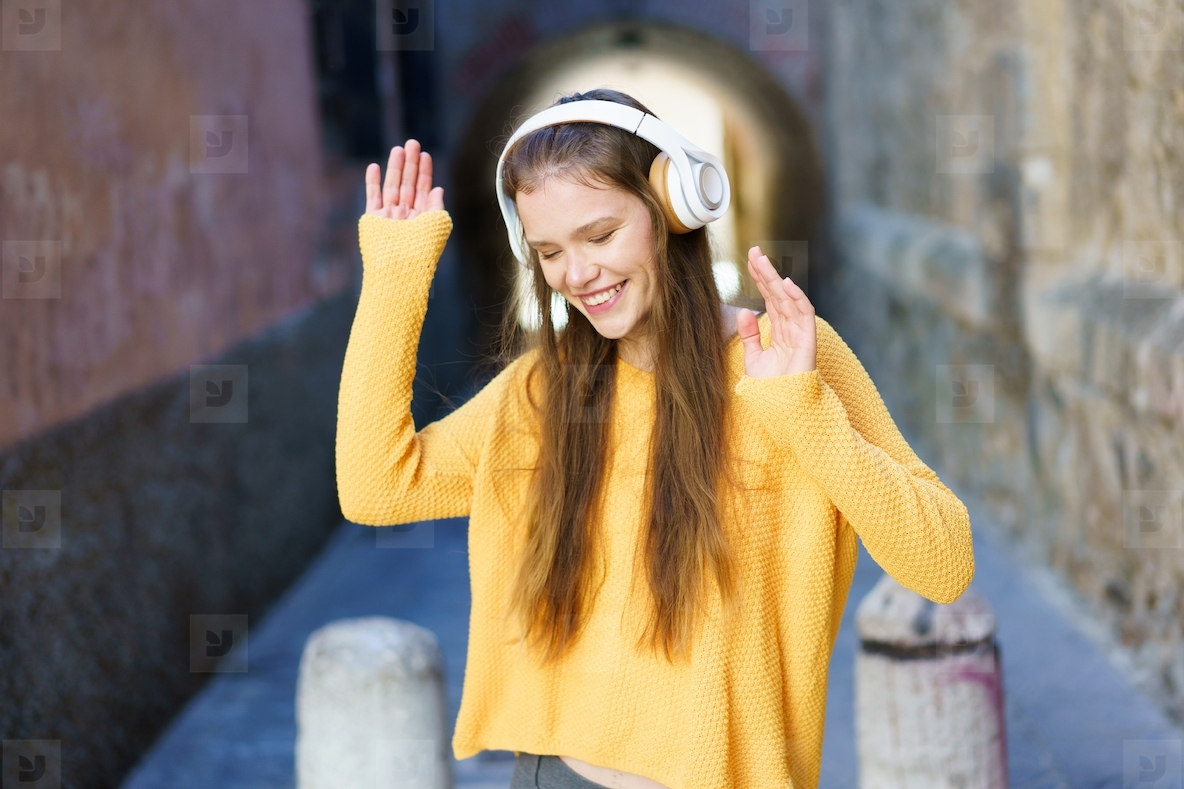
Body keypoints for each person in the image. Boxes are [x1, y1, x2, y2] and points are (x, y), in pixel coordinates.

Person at [335, 88, 975, 789]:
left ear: (672, 209)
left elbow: (942, 563)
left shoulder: (789, 360)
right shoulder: (540, 393)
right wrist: (395, 277)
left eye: (600, 235)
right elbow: (376, 486)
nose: (577, 274)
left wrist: (803, 408)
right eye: (548, 252)